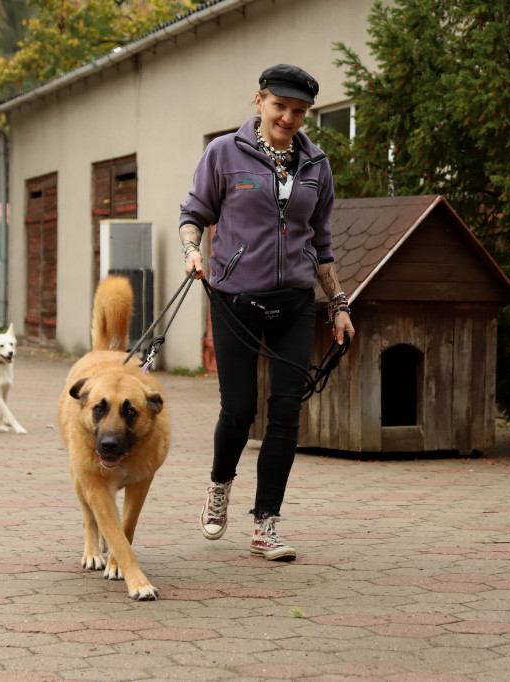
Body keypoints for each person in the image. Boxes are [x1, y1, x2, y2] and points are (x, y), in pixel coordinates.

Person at [178, 64, 355, 560]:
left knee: (285, 411)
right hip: (235, 301)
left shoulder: (316, 165)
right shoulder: (224, 154)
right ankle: (219, 485)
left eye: (299, 112)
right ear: (259, 101)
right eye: (280, 107)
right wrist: (193, 252)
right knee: (238, 410)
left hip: (296, 303)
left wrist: (338, 304)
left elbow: (321, 243)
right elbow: (194, 214)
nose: (289, 118)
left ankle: (266, 524)